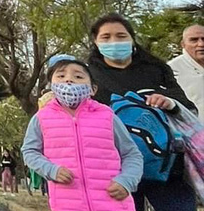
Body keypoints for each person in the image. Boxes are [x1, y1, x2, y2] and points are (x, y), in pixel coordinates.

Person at [88, 12, 198, 211]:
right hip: (116, 169)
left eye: (121, 36)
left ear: (132, 39)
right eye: (106, 37)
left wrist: (169, 102)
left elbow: (187, 107)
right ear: (96, 42)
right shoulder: (87, 76)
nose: (114, 42)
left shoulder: (156, 69)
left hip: (166, 165)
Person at [21, 56, 143, 210]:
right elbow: (29, 151)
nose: (68, 80)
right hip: (67, 205)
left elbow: (132, 154)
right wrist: (51, 170)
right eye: (61, 76)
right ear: (51, 85)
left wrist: (126, 181)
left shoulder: (107, 116)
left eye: (78, 76)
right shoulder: (41, 118)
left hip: (114, 204)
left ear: (93, 89)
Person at [168, 24, 204, 124]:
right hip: (193, 130)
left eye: (203, 39)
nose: (201, 44)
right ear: (183, 44)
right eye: (194, 40)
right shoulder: (171, 70)